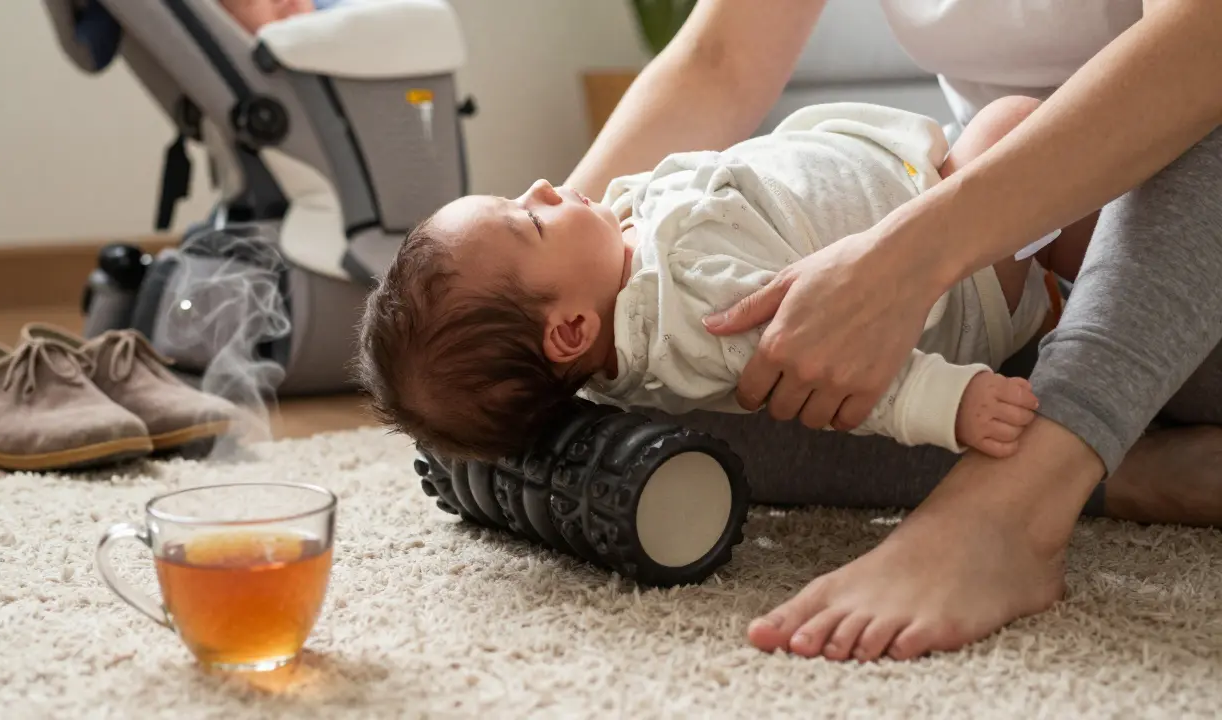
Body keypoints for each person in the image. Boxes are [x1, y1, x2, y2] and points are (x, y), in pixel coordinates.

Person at [565, 0, 1222, 663]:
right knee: (669, 371)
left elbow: (1206, 39)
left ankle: (1022, 497)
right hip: (1007, 281)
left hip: (1185, 254)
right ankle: (1125, 465)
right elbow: (718, 62)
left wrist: (903, 261)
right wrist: (505, 325)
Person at [356, 99, 1077, 466]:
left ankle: (1055, 305)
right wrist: (945, 403)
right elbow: (828, 355)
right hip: (958, 269)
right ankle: (1085, 283)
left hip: (913, 184)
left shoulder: (617, 250)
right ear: (571, 329)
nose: (546, 187)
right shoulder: (693, 320)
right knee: (1018, 128)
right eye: (531, 222)